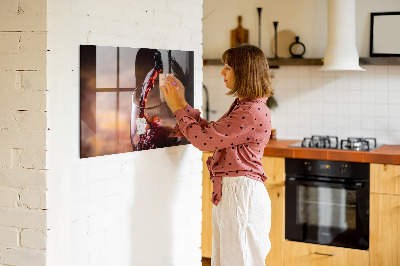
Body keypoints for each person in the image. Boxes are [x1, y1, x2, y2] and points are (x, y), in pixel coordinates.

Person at [161, 44, 273, 266]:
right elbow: (212, 133)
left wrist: (176, 108)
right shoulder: (246, 106)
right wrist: (182, 103)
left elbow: (204, 141)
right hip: (236, 193)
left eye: (228, 67)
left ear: (244, 72)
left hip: (241, 195)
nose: (222, 72)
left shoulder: (250, 111)